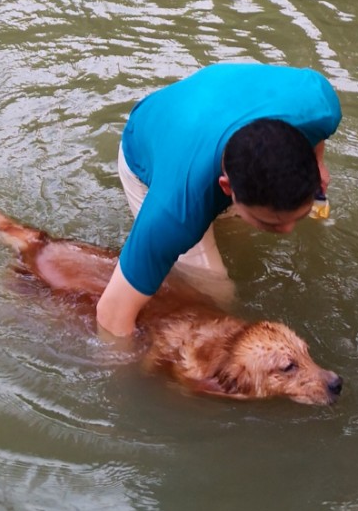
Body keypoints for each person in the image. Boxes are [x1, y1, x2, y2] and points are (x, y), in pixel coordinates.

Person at [96, 62, 342, 337]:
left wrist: (318, 161)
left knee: (238, 249)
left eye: (297, 216)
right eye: (271, 224)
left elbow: (315, 130)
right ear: (226, 188)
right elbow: (111, 316)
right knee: (217, 293)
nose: (287, 232)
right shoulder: (173, 212)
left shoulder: (320, 107)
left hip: (212, 101)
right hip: (150, 140)